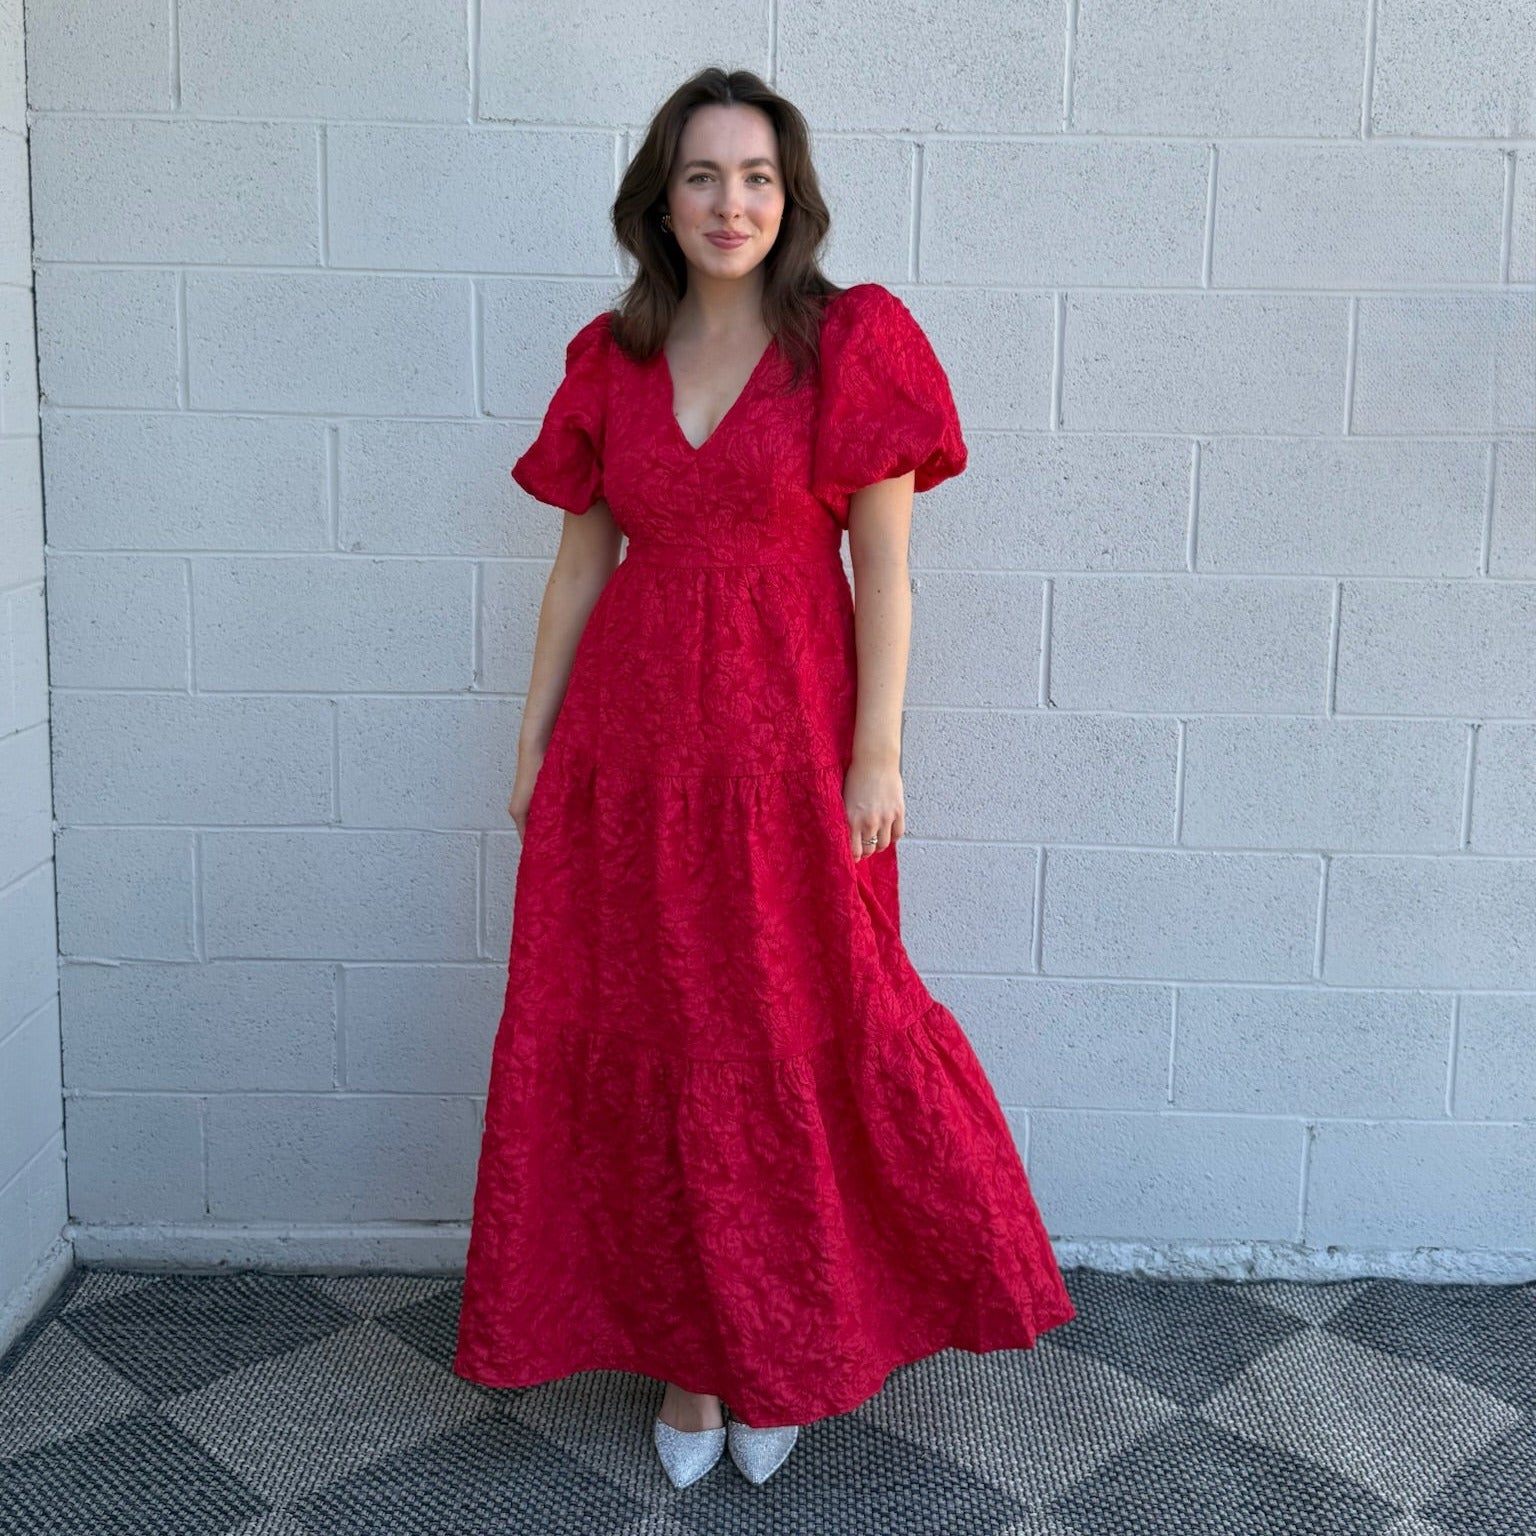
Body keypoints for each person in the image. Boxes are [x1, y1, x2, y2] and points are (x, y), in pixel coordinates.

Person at [452, 65, 1076, 1490]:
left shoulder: (852, 343)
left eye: (756, 177)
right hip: (629, 762)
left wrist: (877, 753)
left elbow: (887, 570)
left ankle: (775, 1350)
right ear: (660, 201)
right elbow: (579, 565)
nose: (730, 203)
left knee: (794, 1034)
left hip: (791, 762)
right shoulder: (611, 357)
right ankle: (692, 1359)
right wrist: (536, 740)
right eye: (701, 176)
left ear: (790, 200)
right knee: (658, 1036)